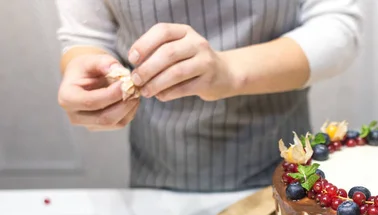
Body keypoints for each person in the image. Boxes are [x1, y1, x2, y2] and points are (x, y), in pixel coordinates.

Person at [54, 0, 362, 191]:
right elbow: (87, 35)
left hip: (280, 168)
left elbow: (337, 28)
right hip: (159, 175)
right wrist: (84, 65)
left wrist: (229, 72)